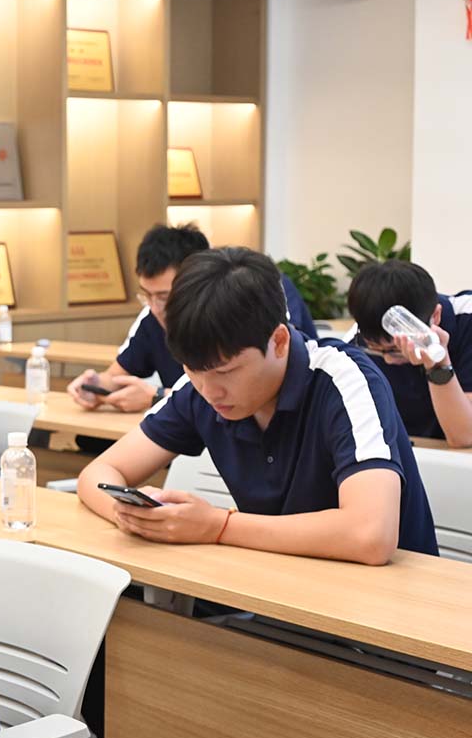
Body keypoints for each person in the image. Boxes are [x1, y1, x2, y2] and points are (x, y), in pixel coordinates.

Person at [77, 248, 437, 563]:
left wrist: (219, 526)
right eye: (192, 370)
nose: (210, 391)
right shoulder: (198, 388)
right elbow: (99, 473)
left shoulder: (346, 380)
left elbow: (371, 534)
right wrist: (134, 517)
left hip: (388, 605)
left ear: (278, 341)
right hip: (277, 589)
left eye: (226, 371)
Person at [69, 224, 318, 413]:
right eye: (147, 295)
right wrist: (96, 384)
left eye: (165, 296)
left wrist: (158, 397)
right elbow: (117, 374)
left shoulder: (254, 297)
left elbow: (273, 382)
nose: (156, 308)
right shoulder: (152, 318)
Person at [345, 260, 472, 447]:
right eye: (377, 349)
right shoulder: (355, 343)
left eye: (395, 350)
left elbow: (464, 436)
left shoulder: (467, 319)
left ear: (435, 316)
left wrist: (438, 365)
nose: (388, 360)